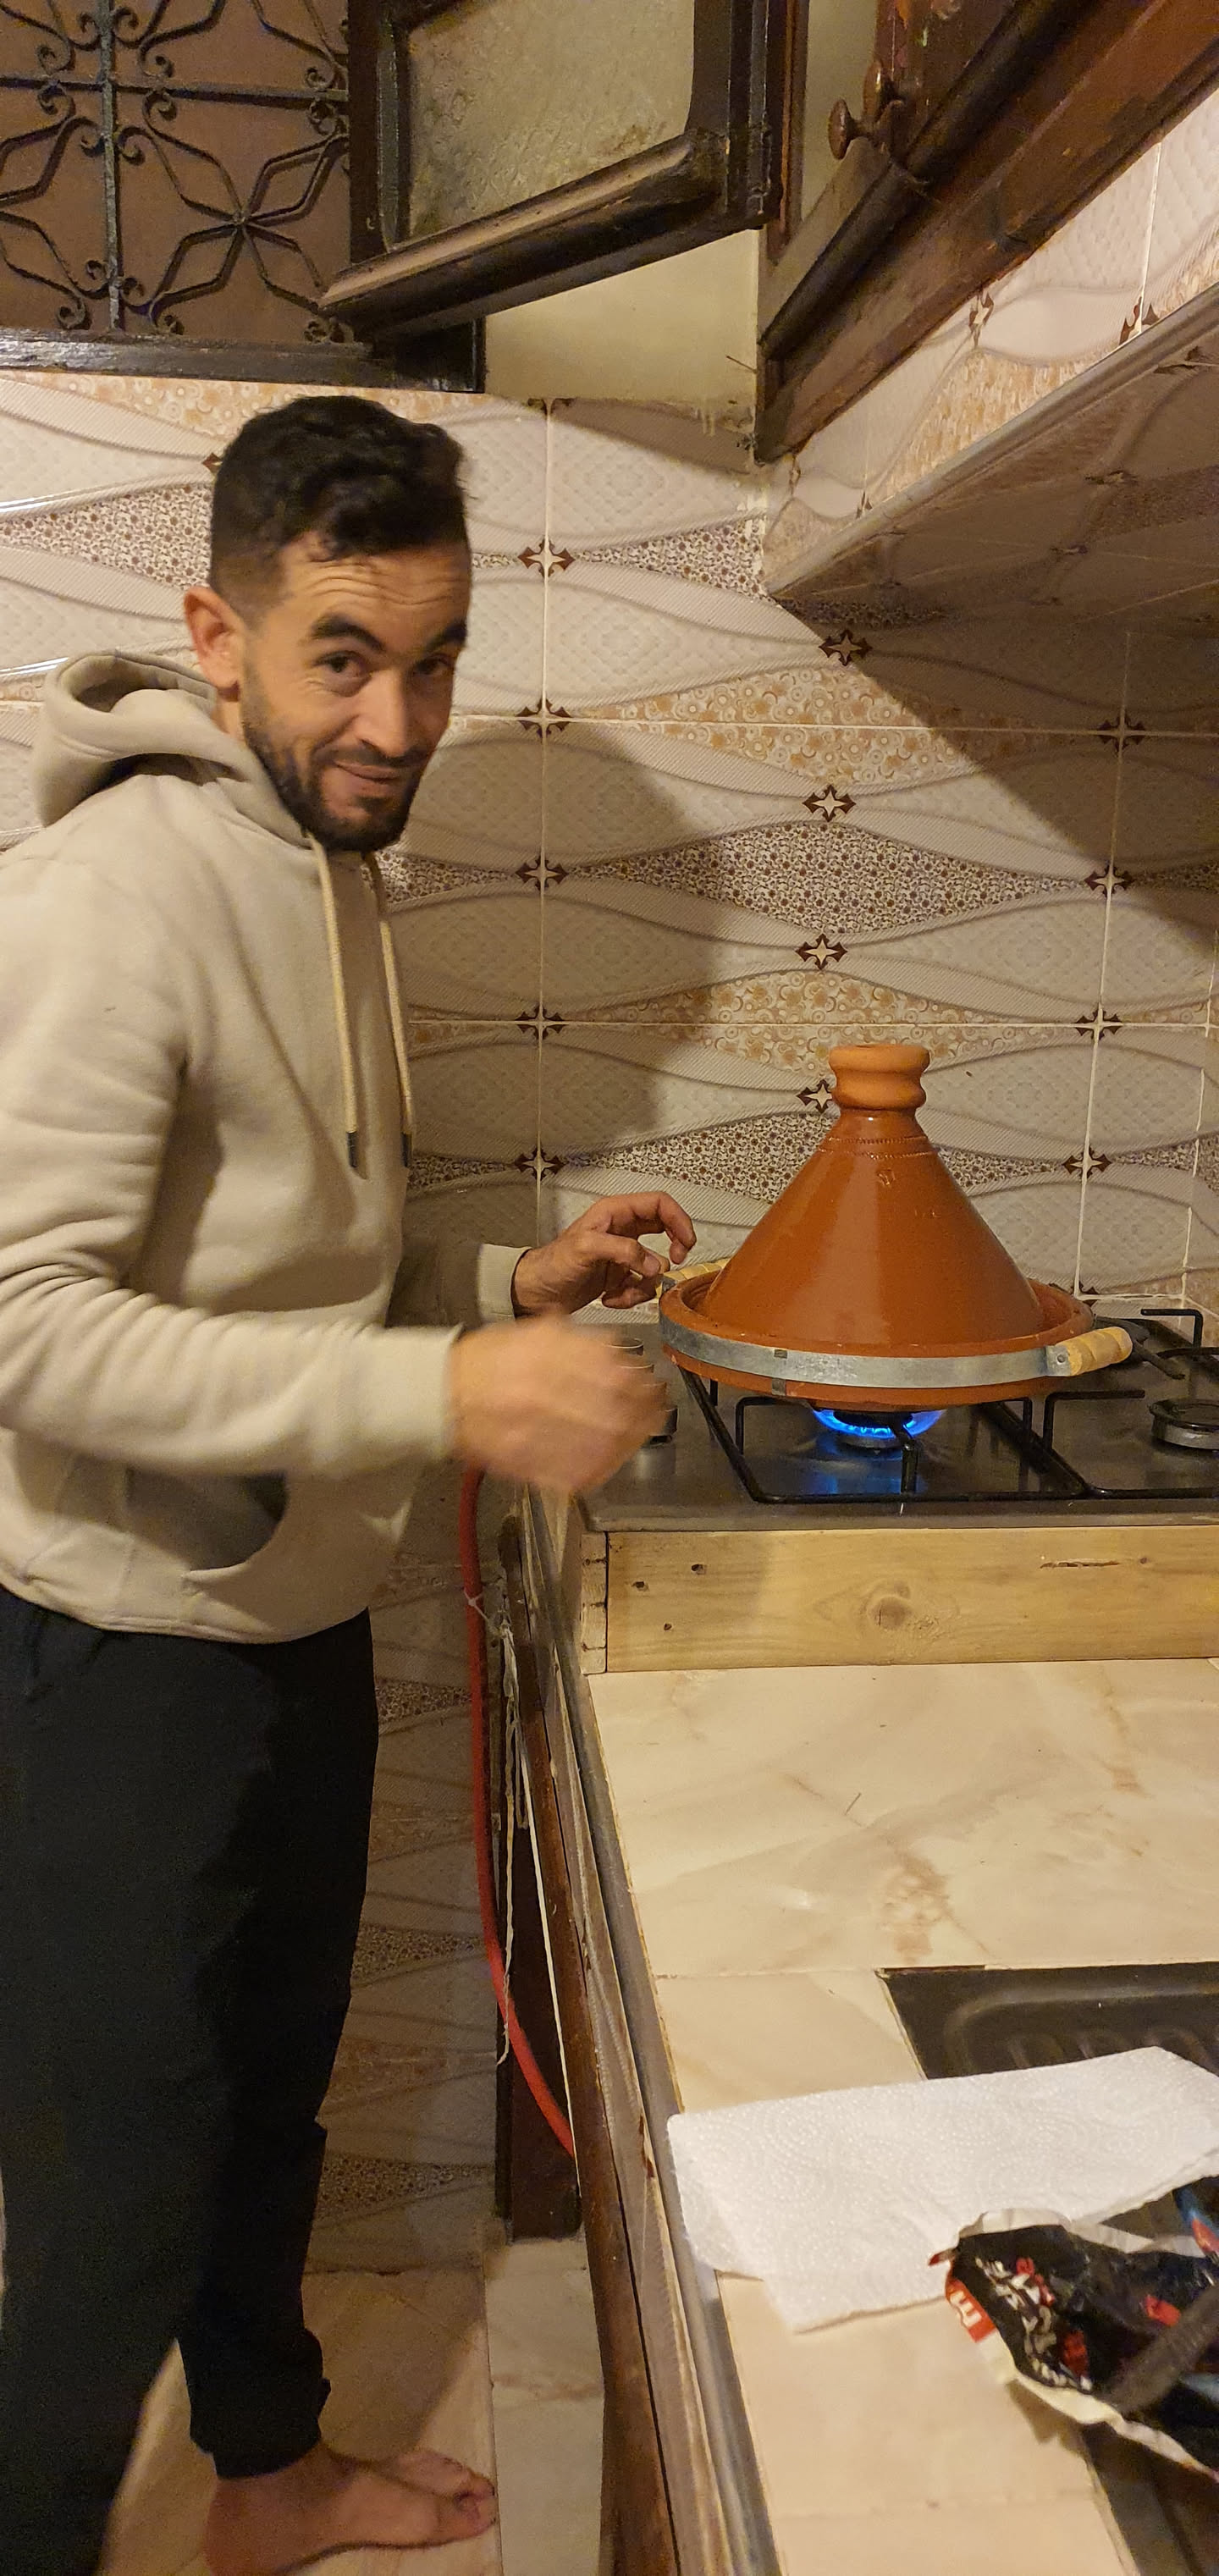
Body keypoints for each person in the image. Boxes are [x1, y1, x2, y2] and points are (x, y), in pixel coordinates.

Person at [0, 394, 696, 2576]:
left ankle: (268, 2476)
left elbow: (275, 1258)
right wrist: (449, 1388)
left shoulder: (326, 858)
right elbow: (22, 1322)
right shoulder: (116, 894)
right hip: (116, 1654)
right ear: (217, 636)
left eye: (436, 659)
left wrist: (500, 1285)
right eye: (340, 660)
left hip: (285, 1618)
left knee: (267, 2101)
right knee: (113, 2204)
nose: (397, 723)